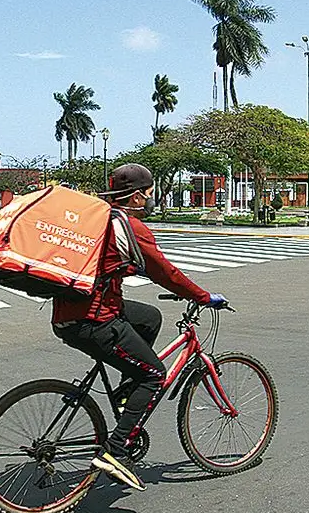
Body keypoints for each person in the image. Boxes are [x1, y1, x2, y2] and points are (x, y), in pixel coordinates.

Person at [51, 163, 228, 492]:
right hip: (95, 319)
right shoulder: (129, 227)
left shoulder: (98, 220)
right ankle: (115, 452)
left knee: (149, 317)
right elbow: (165, 272)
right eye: (148, 194)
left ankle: (124, 394)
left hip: (67, 315)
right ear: (135, 197)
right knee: (154, 375)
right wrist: (202, 296)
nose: (151, 199)